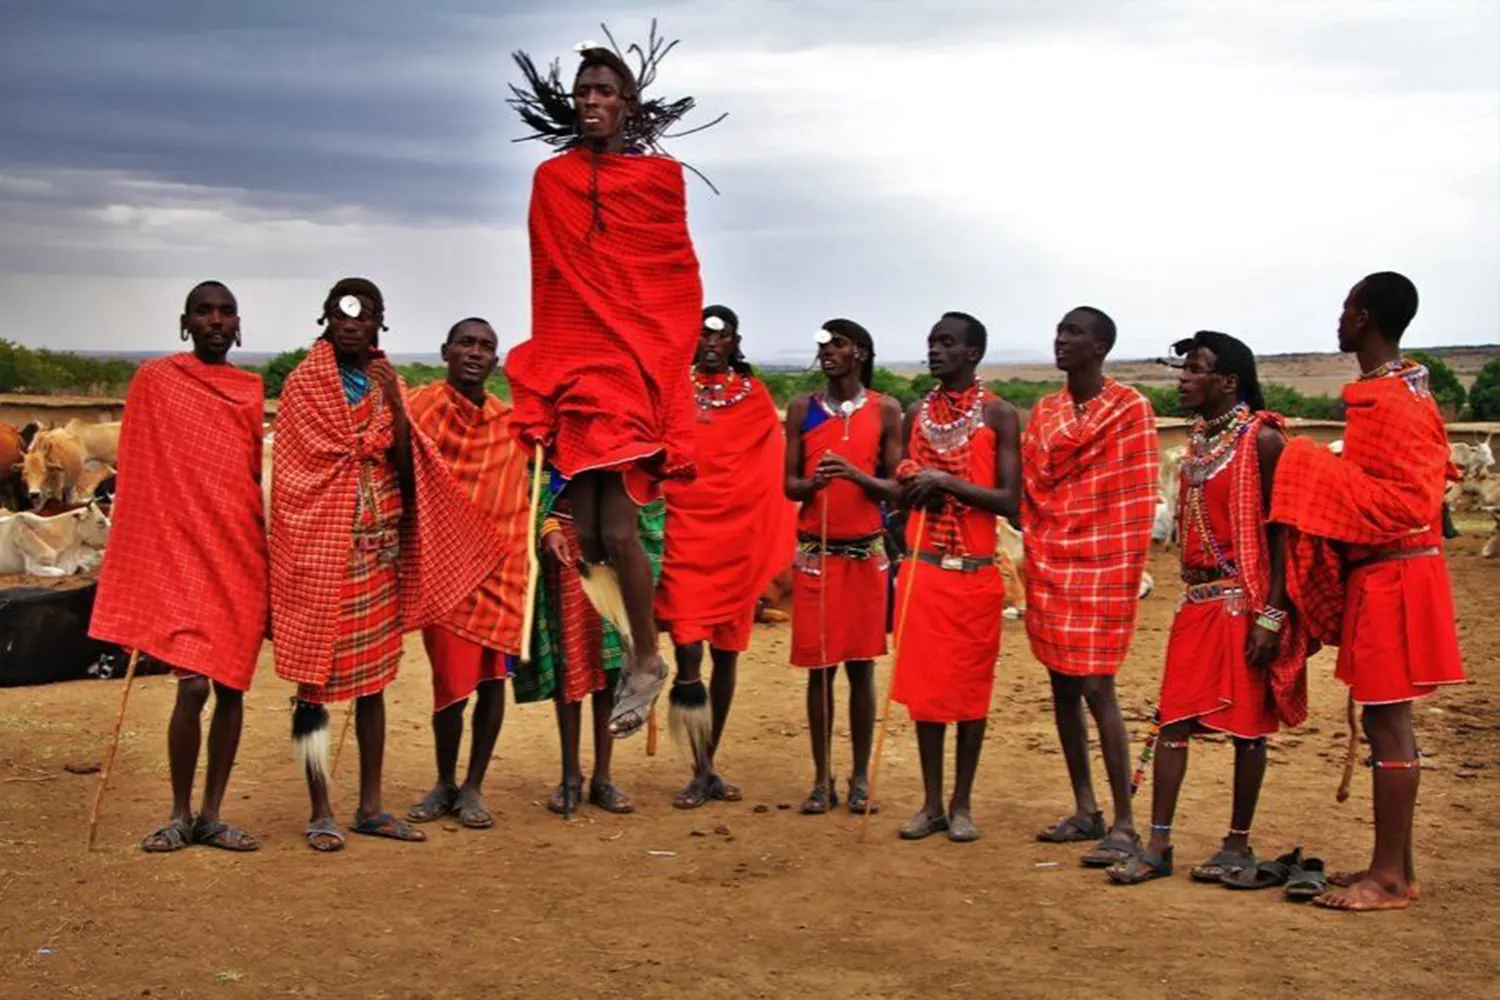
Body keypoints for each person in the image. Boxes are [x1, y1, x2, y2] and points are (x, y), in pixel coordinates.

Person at [505, 38, 715, 740]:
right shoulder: (551, 179)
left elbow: (676, 278)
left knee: (619, 528)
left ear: (627, 103)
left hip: (634, 368)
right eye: (582, 92)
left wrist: (661, 370)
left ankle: (650, 659)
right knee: (588, 533)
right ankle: (633, 647)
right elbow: (547, 277)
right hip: (574, 365)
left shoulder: (659, 181)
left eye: (603, 92)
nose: (591, 101)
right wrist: (550, 370)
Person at [270, 278, 502, 852]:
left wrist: (396, 411)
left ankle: (370, 806)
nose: (352, 324)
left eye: (364, 315)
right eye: (342, 314)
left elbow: (405, 460)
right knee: (314, 687)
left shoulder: (386, 383)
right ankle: (321, 808)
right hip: (318, 548)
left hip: (377, 550)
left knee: (373, 684)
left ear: (379, 324)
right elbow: (295, 476)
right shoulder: (303, 386)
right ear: (326, 319)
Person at [1270, 272, 1465, 911]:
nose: (1339, 318)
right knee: (1389, 717)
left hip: (1399, 573)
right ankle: (1397, 872)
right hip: (1392, 572)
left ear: (1365, 318)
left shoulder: (1393, 402)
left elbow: (1410, 501)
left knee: (1388, 719)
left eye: (1346, 308)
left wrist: (1304, 464)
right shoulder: (1397, 392)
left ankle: (1387, 881)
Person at [1107, 331, 1310, 885]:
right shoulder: (1199, 443)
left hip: (1244, 604)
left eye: (1195, 369)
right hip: (1196, 603)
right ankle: (1157, 845)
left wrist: (1272, 615)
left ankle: (1237, 846)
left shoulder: (1262, 442)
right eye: (1183, 368)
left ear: (1228, 382)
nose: (1183, 377)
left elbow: (1282, 536)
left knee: (1248, 731)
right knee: (1172, 721)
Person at [89, 280, 268, 853]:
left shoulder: (249, 389)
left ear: (238, 325)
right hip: (183, 553)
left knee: (232, 687)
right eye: (204, 311)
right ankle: (178, 812)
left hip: (238, 552)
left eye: (226, 312)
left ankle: (213, 815)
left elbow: (249, 476)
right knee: (191, 687)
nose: (216, 320)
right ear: (185, 322)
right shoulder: (157, 382)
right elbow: (140, 468)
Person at [1024, 306, 1158, 867]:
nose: (1061, 341)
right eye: (1058, 331)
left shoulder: (1130, 409)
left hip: (1103, 563)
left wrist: (1109, 554)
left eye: (1073, 333)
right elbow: (1033, 482)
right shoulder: (1047, 409)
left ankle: (1125, 822)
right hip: (1051, 558)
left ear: (1100, 346)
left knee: (1098, 687)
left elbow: (1133, 495)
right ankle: (1086, 809)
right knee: (1061, 686)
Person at [656, 306, 796, 809]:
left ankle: (706, 767)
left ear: (735, 343)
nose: (711, 342)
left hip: (735, 543)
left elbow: (769, 465)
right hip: (684, 537)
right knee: (688, 652)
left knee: (728, 654)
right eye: (703, 334)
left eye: (722, 335)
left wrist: (760, 529)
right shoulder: (672, 390)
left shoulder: (754, 397)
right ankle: (699, 763)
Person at [890, 313, 1021, 843]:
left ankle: (962, 802)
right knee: (926, 694)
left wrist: (946, 480)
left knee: (969, 693)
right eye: (931, 342)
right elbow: (901, 491)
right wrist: (910, 485)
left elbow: (1010, 500)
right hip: (923, 574)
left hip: (974, 575)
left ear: (973, 354)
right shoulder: (916, 415)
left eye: (947, 344)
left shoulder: (999, 415)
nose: (935, 352)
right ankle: (931, 804)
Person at [404, 318, 531, 830]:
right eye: (466, 344)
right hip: (445, 570)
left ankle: (475, 785)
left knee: (492, 682)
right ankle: (443, 781)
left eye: (486, 347)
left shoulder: (510, 424)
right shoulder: (419, 411)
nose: (475, 353)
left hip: (502, 569)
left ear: (495, 361)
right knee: (449, 684)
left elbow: (521, 493)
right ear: (445, 352)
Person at [783, 318, 901, 815]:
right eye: (824, 345)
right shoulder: (802, 410)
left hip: (865, 555)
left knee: (860, 669)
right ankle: (820, 779)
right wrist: (812, 485)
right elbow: (789, 484)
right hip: (816, 556)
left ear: (861, 353)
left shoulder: (887, 410)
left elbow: (896, 486)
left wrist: (854, 475)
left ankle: (857, 778)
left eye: (839, 344)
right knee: (819, 670)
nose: (829, 352)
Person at [512, 473, 664, 816]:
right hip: (564, 539)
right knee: (571, 660)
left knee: (610, 665)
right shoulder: (557, 424)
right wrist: (547, 527)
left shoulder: (624, 430)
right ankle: (569, 776)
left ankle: (603, 778)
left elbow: (648, 487)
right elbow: (532, 475)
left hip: (618, 551)